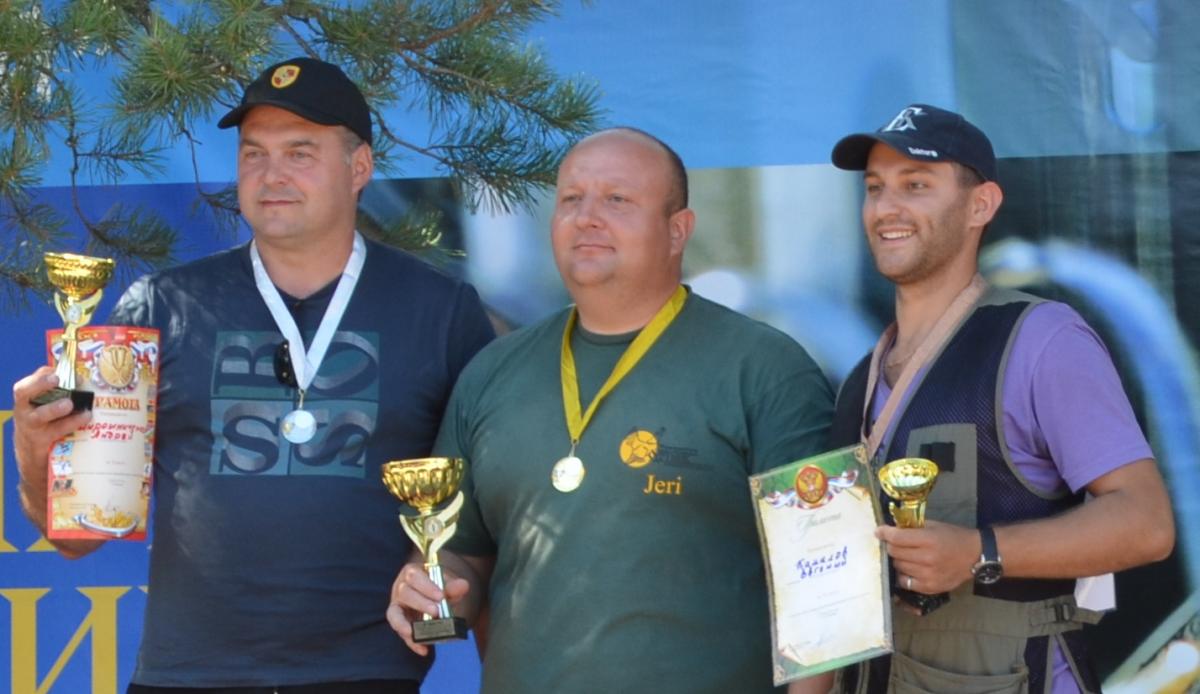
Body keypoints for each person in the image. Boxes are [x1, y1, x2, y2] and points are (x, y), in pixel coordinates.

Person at [12, 57, 494, 693]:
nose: (272, 175)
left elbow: (484, 514)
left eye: (300, 153)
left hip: (364, 675)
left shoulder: (441, 311)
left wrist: (446, 581)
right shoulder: (162, 307)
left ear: (359, 169)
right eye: (253, 154)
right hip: (187, 679)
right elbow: (77, 538)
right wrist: (34, 451)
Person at [386, 127, 837, 692]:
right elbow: (461, 554)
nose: (587, 218)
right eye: (571, 199)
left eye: (617, 200)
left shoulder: (767, 369)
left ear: (678, 230)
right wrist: (431, 586)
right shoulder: (493, 372)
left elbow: (827, 579)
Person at [827, 103, 1175, 693]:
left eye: (916, 185)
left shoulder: (1042, 340)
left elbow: (1146, 523)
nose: (886, 208)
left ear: (981, 205)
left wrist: (979, 550)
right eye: (875, 188)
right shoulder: (859, 379)